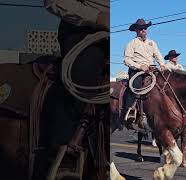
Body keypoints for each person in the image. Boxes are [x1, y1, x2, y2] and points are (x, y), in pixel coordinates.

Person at [32, 1, 109, 179]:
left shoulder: (150, 43)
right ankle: (61, 161)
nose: (143, 31)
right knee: (81, 77)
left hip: (115, 33)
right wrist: (97, 17)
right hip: (86, 31)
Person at [121, 18, 165, 128]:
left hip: (151, 70)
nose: (143, 30)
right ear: (136, 30)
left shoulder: (152, 43)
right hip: (137, 71)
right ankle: (130, 111)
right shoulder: (132, 44)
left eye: (145, 28)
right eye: (141, 28)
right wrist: (140, 66)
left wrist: (162, 64)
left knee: (165, 85)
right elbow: (127, 60)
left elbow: (158, 54)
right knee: (135, 87)